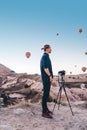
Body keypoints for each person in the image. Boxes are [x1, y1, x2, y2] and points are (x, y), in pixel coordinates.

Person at [40, 44, 53, 119]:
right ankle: (44, 112)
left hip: (47, 78)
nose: (51, 50)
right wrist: (49, 76)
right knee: (45, 95)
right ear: (47, 49)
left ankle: (46, 109)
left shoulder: (46, 56)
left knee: (46, 94)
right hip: (46, 78)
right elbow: (45, 68)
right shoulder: (45, 56)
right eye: (50, 48)